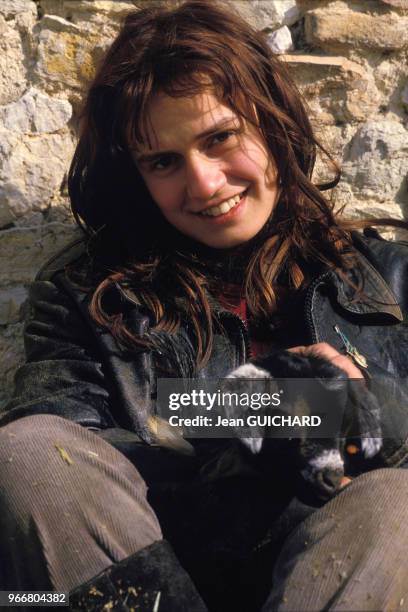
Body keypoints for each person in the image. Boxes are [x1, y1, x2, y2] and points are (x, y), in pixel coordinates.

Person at [1, 1, 408, 610]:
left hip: (343, 579)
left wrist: (360, 407)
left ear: (272, 122)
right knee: (29, 448)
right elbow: (55, 488)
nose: (205, 184)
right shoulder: (87, 300)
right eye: (163, 161)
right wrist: (241, 423)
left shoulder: (390, 279)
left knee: (394, 504)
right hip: (151, 582)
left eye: (220, 137)